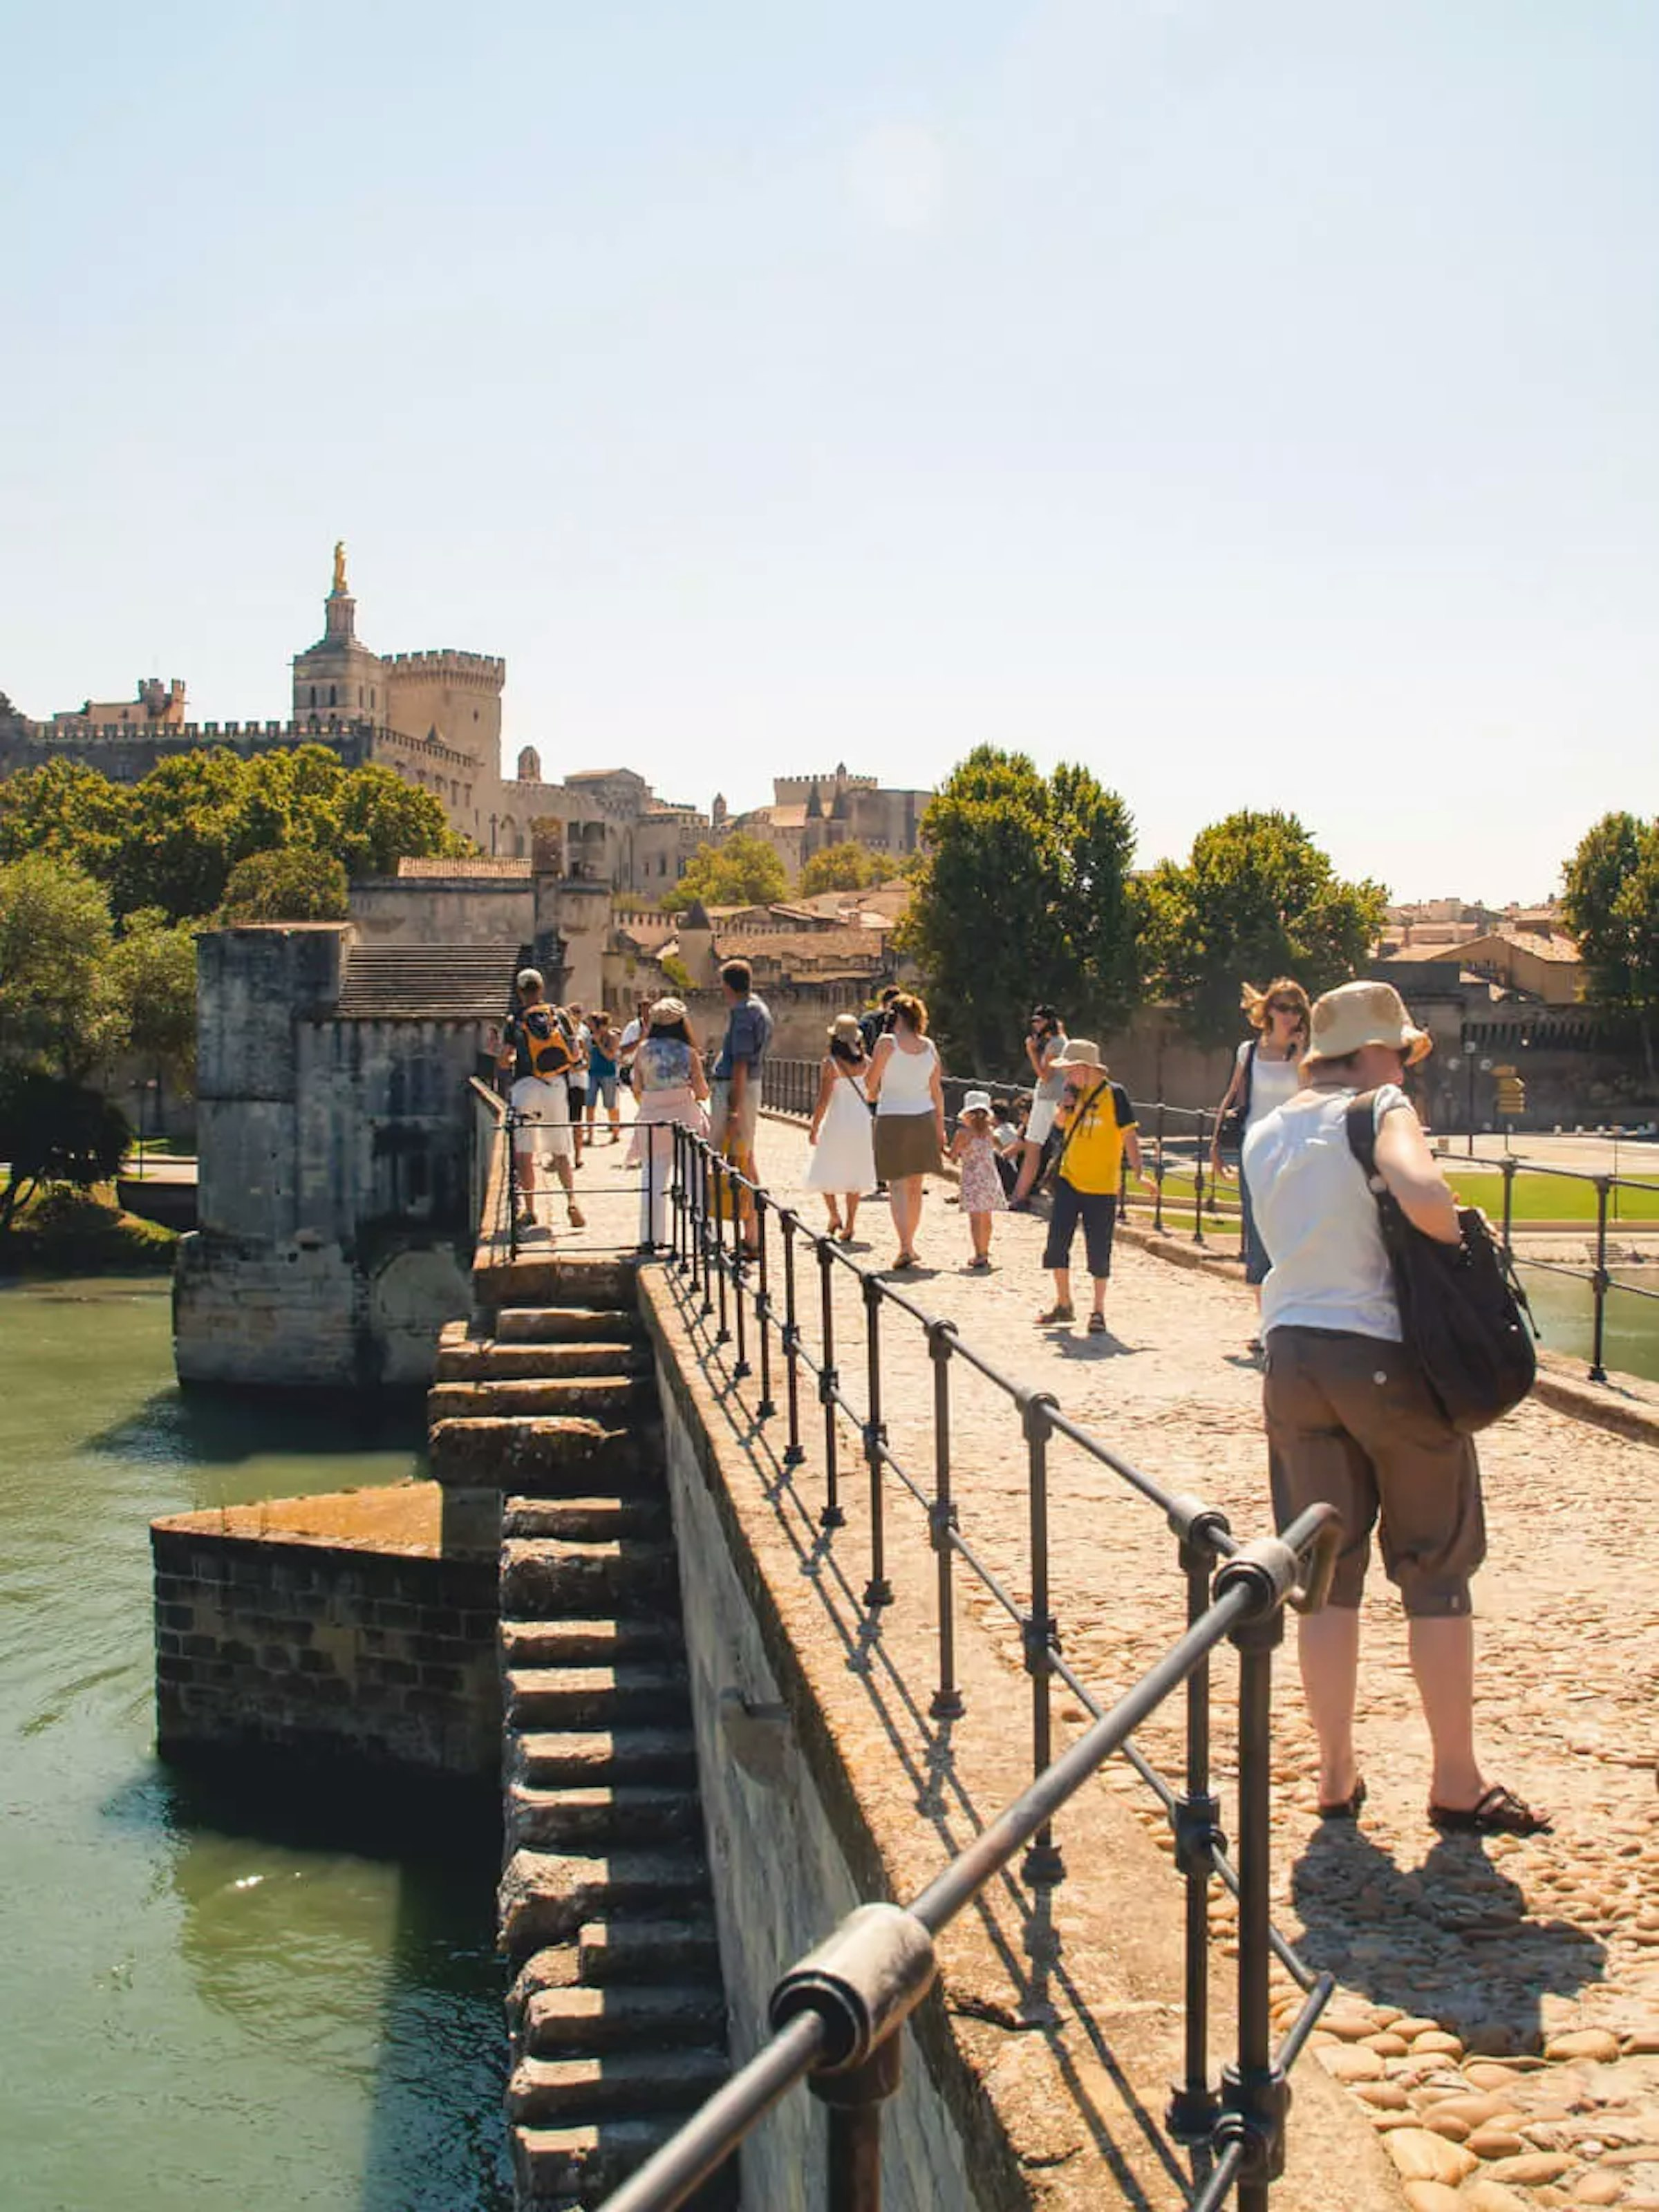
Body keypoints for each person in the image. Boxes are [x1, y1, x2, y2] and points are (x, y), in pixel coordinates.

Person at [1244, 980, 1548, 1837]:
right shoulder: (1380, 1106)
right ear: (1378, 1053)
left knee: (1325, 1578)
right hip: (1382, 1353)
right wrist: (1459, 1241)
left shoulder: (1268, 1129)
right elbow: (1419, 1193)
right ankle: (1456, 1779)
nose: (1408, 1073)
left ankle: (1335, 1773)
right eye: (1403, 1056)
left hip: (1292, 1357)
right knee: (1435, 1568)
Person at [1210, 979, 1311, 1338]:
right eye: (1283, 1007)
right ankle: (1266, 1321)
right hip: (1255, 1150)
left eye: (1296, 1008)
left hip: (1295, 1152)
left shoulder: (1307, 1054)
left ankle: (1291, 1315)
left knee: (1293, 1232)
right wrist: (1215, 1144)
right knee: (1257, 1232)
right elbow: (1233, 1096)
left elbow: (1312, 1096)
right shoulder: (1248, 1051)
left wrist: (1300, 1056)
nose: (1289, 1015)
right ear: (1268, 1009)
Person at [1037, 1040, 1151, 1333]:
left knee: (1099, 1249)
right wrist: (1064, 1106)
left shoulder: (1116, 1095)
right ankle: (1063, 1303)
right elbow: (1058, 1130)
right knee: (1057, 1242)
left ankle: (1098, 1310)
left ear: (1087, 1068)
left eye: (1072, 1071)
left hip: (1102, 1185)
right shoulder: (1071, 1093)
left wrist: (1139, 1172)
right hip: (1069, 1178)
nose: (1068, 1077)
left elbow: (1129, 1136)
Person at [497, 968, 586, 1235]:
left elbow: (504, 1060)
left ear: (520, 992)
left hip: (526, 1086)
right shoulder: (559, 1016)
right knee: (560, 1151)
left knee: (525, 1152)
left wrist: (504, 1058)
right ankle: (572, 1203)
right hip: (555, 1086)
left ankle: (530, 1209)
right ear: (541, 989)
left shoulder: (515, 1022)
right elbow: (574, 1053)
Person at [864, 991, 946, 1270]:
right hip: (923, 1117)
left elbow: (870, 1084)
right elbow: (937, 1092)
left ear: (895, 1017)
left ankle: (905, 1246)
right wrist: (940, 1127)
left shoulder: (886, 1043)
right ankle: (911, 1243)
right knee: (915, 1187)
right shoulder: (929, 1047)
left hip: (893, 1117)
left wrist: (873, 1091)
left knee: (897, 1187)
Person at [628, 996, 709, 1248]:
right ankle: (702, 1236)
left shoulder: (642, 1051)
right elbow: (702, 1091)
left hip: (652, 1118)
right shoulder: (689, 1053)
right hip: (685, 1117)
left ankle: (651, 1237)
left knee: (652, 1179)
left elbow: (637, 1087)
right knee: (695, 1180)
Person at [709, 958, 773, 1249]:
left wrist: (734, 1109)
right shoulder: (756, 1006)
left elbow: (741, 1064)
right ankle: (752, 1231)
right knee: (746, 1157)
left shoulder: (744, 1013)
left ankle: (753, 1234)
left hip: (739, 1089)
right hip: (744, 1087)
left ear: (726, 985)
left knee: (740, 1158)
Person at [805, 1014, 877, 1241]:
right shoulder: (868, 1063)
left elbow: (823, 1100)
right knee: (854, 1173)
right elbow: (874, 1094)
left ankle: (835, 1215)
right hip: (860, 1122)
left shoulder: (831, 1064)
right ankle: (851, 1224)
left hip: (837, 1120)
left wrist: (814, 1126)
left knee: (825, 1166)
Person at [1009, 1006, 1069, 1209]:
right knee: (1037, 1146)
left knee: (1033, 1146)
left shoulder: (1056, 1044)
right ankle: (1020, 1194)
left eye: (1039, 1021)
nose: (1036, 1025)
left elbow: (1045, 1075)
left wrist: (1031, 1052)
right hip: (1049, 1097)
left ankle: (1019, 1195)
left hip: (1049, 1098)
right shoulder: (1057, 1042)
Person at [949, 1089, 1008, 1269]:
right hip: (990, 1178)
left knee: (975, 1219)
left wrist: (940, 1147)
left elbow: (953, 1157)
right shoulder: (991, 1132)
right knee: (987, 1217)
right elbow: (1002, 1149)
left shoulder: (963, 1134)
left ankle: (979, 1254)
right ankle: (985, 1250)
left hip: (972, 1180)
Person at [584, 1011, 623, 1144]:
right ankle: (590, 1136)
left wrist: (600, 1043)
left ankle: (616, 1131)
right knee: (590, 1106)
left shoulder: (612, 1037)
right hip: (592, 1074)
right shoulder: (589, 1038)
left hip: (608, 1074)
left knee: (610, 1105)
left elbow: (610, 1056)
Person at [565, 1002, 590, 1165]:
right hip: (563, 1082)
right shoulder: (561, 1034)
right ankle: (562, 1154)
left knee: (576, 1121)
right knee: (562, 1121)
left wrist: (575, 1068)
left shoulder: (582, 1035)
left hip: (577, 1081)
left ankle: (577, 1156)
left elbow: (588, 1061)